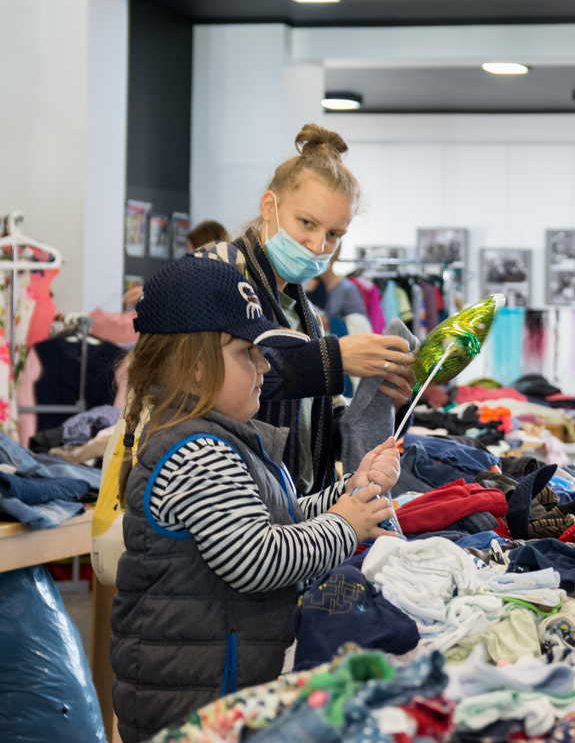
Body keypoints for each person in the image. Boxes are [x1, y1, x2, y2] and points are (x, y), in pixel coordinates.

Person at [109, 257, 401, 742]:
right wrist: (346, 525)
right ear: (197, 365)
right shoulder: (197, 451)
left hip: (214, 692)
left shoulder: (225, 439)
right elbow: (256, 558)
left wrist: (349, 492)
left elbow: (274, 516)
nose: (266, 366)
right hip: (194, 709)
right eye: (248, 353)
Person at [193, 123, 414, 494]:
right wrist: (334, 358)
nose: (317, 245)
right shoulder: (215, 270)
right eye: (307, 223)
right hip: (229, 498)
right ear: (270, 206)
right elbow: (209, 377)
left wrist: (382, 403)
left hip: (296, 506)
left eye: (334, 235)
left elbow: (318, 418)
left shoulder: (302, 308)